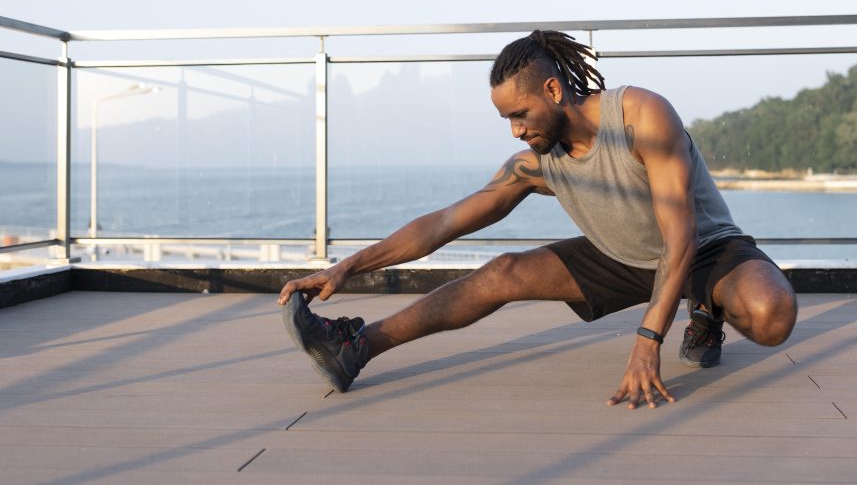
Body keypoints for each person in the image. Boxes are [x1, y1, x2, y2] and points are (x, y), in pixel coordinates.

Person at [278, 30, 798, 409]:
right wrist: (346, 268)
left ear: (553, 91)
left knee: (772, 316)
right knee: (502, 271)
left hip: (704, 248)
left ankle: (705, 311)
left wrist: (647, 339)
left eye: (519, 115)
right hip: (622, 255)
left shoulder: (641, 116)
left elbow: (681, 234)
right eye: (507, 119)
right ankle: (357, 346)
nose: (514, 131)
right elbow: (442, 224)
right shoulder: (534, 163)